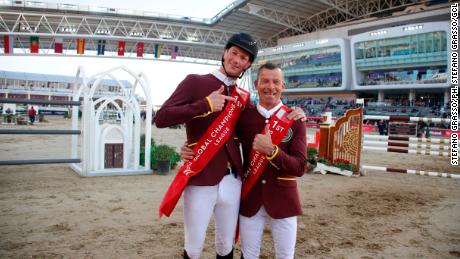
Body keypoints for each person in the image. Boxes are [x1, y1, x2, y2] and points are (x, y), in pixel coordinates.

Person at [155, 33, 305, 259]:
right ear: (225, 52)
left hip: (234, 181)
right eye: (234, 53)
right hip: (202, 177)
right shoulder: (195, 81)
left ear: (248, 64)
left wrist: (298, 114)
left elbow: (254, 125)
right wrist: (204, 105)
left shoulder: (242, 97)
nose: (237, 60)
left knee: (226, 246)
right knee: (194, 247)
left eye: (243, 57)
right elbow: (162, 118)